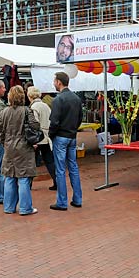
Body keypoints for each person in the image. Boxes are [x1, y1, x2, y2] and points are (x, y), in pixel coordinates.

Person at [0, 85, 41, 216]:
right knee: (23, 178)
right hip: (24, 147)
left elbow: (0, 131)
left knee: (10, 177)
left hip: (9, 147)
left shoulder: (4, 112)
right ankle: (25, 208)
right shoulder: (26, 111)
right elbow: (35, 126)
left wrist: (4, 143)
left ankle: (9, 207)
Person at [49, 72, 83, 211]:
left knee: (60, 170)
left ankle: (62, 201)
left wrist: (51, 135)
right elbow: (80, 117)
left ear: (59, 82)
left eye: (54, 81)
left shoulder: (58, 100)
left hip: (61, 137)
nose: (53, 83)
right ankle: (77, 198)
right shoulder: (76, 98)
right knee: (73, 168)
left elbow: (54, 122)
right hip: (72, 136)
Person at [27, 86, 57, 191]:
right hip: (47, 137)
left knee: (32, 162)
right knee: (49, 161)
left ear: (29, 96)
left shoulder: (33, 107)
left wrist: (33, 140)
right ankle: (56, 181)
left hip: (38, 138)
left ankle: (28, 184)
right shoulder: (46, 106)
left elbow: (33, 124)